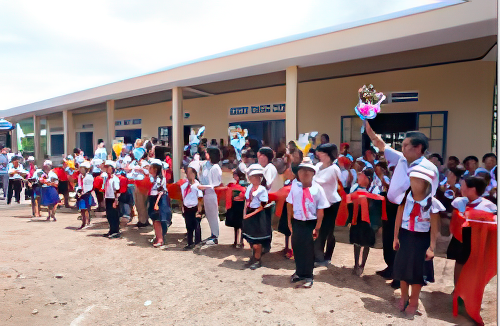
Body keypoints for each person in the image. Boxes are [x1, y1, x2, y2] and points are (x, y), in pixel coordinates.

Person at [365, 121, 438, 289]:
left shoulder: (428, 168)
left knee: (407, 246)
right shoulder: (401, 158)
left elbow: (429, 198)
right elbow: (379, 143)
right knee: (390, 239)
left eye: (406, 145)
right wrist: (366, 120)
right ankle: (392, 268)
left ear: (418, 147)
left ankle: (403, 278)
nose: (402, 148)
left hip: (412, 211)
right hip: (392, 206)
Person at [392, 165, 443, 316]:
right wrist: (395, 237)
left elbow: (434, 228)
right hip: (405, 237)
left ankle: (414, 301)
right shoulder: (405, 198)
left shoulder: (432, 203)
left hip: (422, 241)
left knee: (417, 273)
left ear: (427, 184)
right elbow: (398, 219)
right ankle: (403, 296)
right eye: (412, 180)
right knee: (403, 269)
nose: (414, 184)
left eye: (418, 181)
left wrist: (432, 247)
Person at [447, 176, 496, 288]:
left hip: (477, 241)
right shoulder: (459, 202)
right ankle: (457, 289)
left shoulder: (488, 207)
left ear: (472, 189)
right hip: (461, 239)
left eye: (463, 185)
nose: (461, 188)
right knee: (459, 261)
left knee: (473, 266)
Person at [287, 158, 329, 288]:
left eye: (308, 171)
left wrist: (317, 227)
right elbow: (290, 204)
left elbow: (320, 210)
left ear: (313, 173)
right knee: (297, 247)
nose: (305, 173)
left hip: (311, 222)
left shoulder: (318, 189)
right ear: (298, 173)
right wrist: (289, 221)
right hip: (298, 222)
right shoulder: (294, 187)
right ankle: (299, 272)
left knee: (309, 249)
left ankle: (308, 276)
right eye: (302, 171)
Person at [348, 168, 384, 276]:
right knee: (357, 241)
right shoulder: (356, 187)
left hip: (368, 219)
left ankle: (361, 265)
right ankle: (356, 264)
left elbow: (376, 204)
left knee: (366, 243)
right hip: (358, 217)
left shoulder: (375, 189)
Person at [313, 143, 342, 267]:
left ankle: (325, 257)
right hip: (319, 204)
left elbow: (319, 181)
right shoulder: (318, 166)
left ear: (329, 155)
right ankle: (318, 256)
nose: (319, 155)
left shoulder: (334, 169)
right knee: (319, 229)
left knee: (326, 230)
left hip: (331, 204)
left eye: (322, 153)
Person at [242, 164, 270, 270]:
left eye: (257, 177)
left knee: (257, 240)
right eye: (253, 176)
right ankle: (253, 257)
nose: (255, 179)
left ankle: (257, 259)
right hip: (249, 213)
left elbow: (261, 206)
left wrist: (249, 214)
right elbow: (246, 201)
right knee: (250, 238)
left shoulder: (262, 190)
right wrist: (245, 213)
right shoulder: (249, 188)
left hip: (257, 215)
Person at [198, 146, 222, 245]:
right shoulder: (205, 165)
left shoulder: (216, 167)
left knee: (213, 215)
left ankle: (215, 236)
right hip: (205, 193)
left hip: (212, 194)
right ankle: (212, 233)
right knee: (208, 214)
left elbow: (216, 184)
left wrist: (203, 187)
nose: (206, 154)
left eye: (207, 153)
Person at [148, 159, 172, 247]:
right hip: (154, 198)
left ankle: (160, 239)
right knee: (155, 220)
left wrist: (156, 203)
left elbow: (160, 191)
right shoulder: (153, 178)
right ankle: (159, 237)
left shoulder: (159, 179)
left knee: (158, 220)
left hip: (159, 199)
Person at [181, 161, 203, 249]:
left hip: (195, 207)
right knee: (188, 225)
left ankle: (198, 242)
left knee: (196, 225)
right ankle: (190, 242)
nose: (188, 174)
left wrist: (199, 210)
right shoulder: (184, 185)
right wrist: (182, 207)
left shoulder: (197, 186)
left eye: (190, 172)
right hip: (187, 208)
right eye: (187, 172)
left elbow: (200, 198)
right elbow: (182, 197)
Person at [225, 168, 247, 249]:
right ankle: (238, 241)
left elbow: (245, 193)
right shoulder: (238, 184)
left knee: (239, 224)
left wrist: (238, 196)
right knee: (237, 224)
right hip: (236, 204)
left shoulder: (243, 184)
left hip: (240, 204)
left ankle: (239, 241)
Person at [102, 160, 121, 238]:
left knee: (114, 215)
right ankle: (111, 230)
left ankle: (116, 231)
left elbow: (117, 190)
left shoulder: (115, 179)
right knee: (109, 215)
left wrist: (116, 201)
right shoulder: (107, 178)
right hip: (108, 198)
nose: (107, 169)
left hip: (113, 198)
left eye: (108, 167)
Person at [75, 161, 95, 229]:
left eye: (83, 168)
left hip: (86, 194)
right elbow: (79, 184)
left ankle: (87, 222)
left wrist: (84, 192)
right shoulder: (80, 176)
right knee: (82, 209)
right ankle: (83, 223)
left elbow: (90, 186)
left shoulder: (89, 177)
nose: (81, 170)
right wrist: (78, 192)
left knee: (86, 208)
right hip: (81, 194)